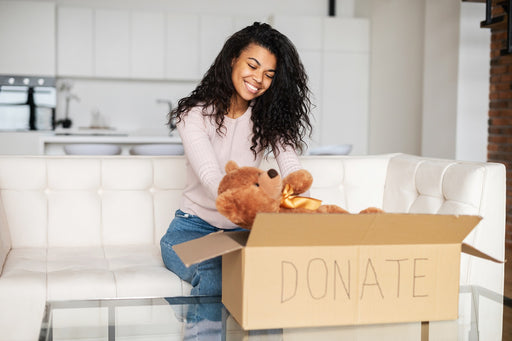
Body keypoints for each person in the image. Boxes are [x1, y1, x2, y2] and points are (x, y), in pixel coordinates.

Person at [160, 22, 312, 322]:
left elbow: (292, 166)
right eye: (253, 66)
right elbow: (210, 177)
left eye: (269, 74)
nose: (259, 79)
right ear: (233, 59)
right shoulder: (193, 114)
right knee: (216, 274)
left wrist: (300, 202)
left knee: (272, 276)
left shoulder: (268, 117)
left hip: (243, 233)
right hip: (192, 229)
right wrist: (255, 200)